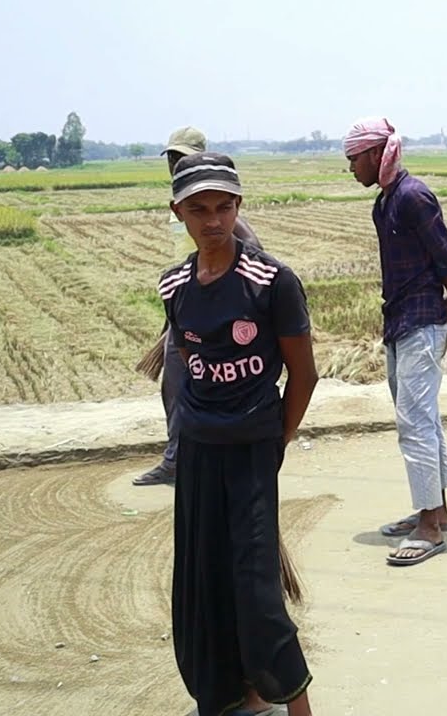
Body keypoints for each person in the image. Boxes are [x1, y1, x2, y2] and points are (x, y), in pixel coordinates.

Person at [159, 151, 318, 716]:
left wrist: (277, 438)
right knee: (204, 583)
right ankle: (235, 696)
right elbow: (189, 362)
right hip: (199, 452)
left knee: (256, 593)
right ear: (177, 211)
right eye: (198, 209)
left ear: (238, 208)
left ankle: (296, 707)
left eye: (224, 207)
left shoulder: (272, 282)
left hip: (253, 450)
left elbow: (304, 373)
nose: (213, 221)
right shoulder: (174, 286)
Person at [341, 117, 447, 566]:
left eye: (353, 159)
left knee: (414, 423)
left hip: (423, 321)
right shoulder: (385, 204)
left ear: (375, 154)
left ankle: (428, 527)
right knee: (422, 418)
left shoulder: (412, 196)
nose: (351, 169)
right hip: (400, 321)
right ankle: (435, 510)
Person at [133, 126, 265, 487]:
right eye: (172, 158)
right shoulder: (182, 209)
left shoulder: (219, 213)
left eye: (182, 157)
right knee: (175, 389)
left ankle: (183, 463)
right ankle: (183, 460)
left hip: (210, 317)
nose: (175, 164)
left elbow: (256, 254)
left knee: (185, 388)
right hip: (186, 311)